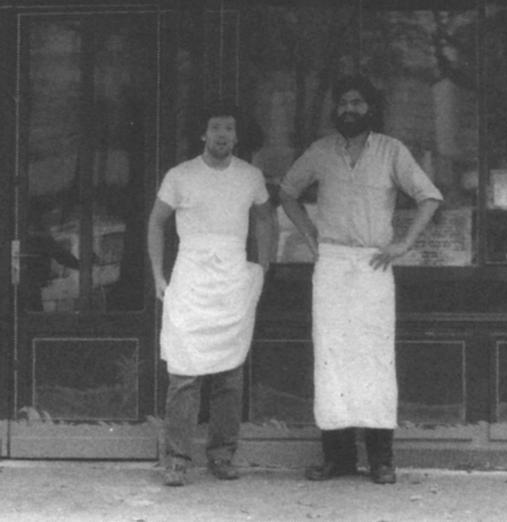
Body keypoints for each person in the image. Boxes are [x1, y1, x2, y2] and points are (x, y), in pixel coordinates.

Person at [278, 75, 442, 485]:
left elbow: (430, 196)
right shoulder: (321, 151)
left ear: (371, 109)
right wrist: (311, 236)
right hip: (332, 262)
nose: (349, 109)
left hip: (374, 265)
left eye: (358, 103)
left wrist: (404, 243)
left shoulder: (391, 151)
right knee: (331, 357)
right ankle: (337, 459)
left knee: (374, 359)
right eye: (344, 102)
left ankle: (382, 459)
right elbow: (286, 192)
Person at [147, 101, 274, 487]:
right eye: (215, 127)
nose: (222, 135)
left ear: (237, 135)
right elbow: (155, 222)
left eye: (229, 128)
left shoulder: (250, 176)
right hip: (191, 279)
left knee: (229, 375)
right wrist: (157, 274)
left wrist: (263, 268)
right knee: (184, 374)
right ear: (203, 133)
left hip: (232, 279)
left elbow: (267, 220)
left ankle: (222, 454)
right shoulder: (180, 176)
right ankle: (177, 459)